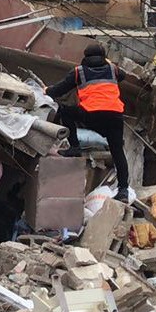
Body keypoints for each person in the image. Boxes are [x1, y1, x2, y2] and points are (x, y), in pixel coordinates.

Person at [47, 43, 132, 200]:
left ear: (85, 57)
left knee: (66, 112)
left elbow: (59, 90)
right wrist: (108, 62)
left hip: (91, 115)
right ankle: (123, 190)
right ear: (104, 57)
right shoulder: (113, 69)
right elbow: (123, 76)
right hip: (115, 116)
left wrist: (46, 90)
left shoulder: (79, 72)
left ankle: (74, 147)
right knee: (118, 153)